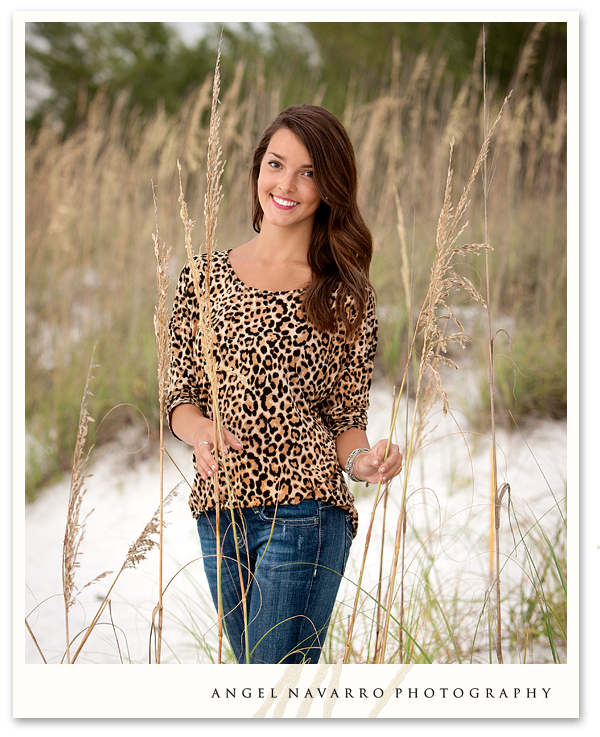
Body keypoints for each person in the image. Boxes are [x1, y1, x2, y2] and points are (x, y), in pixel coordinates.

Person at [167, 104, 403, 665]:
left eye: (309, 172)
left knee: (273, 684)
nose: (288, 184)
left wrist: (361, 461)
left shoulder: (345, 292)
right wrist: (202, 431)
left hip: (306, 510)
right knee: (260, 686)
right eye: (277, 164)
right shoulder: (201, 277)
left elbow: (345, 418)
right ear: (257, 169)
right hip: (219, 508)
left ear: (330, 188)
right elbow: (179, 397)